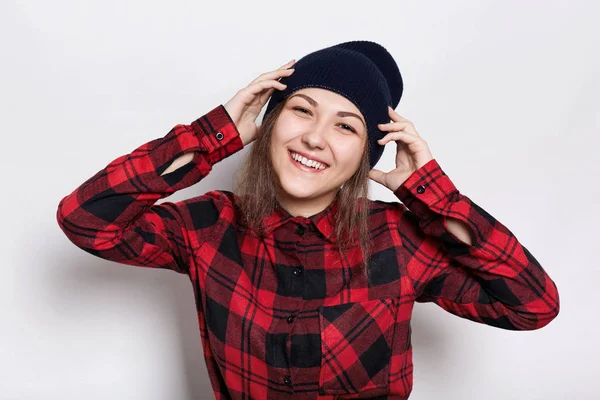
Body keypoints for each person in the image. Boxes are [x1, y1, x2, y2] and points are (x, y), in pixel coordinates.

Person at [56, 40, 560, 399]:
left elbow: (532, 307)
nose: (316, 138)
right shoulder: (208, 225)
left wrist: (432, 194)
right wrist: (215, 133)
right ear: (270, 124)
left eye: (346, 125)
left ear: (366, 154)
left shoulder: (399, 241)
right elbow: (85, 220)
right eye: (302, 110)